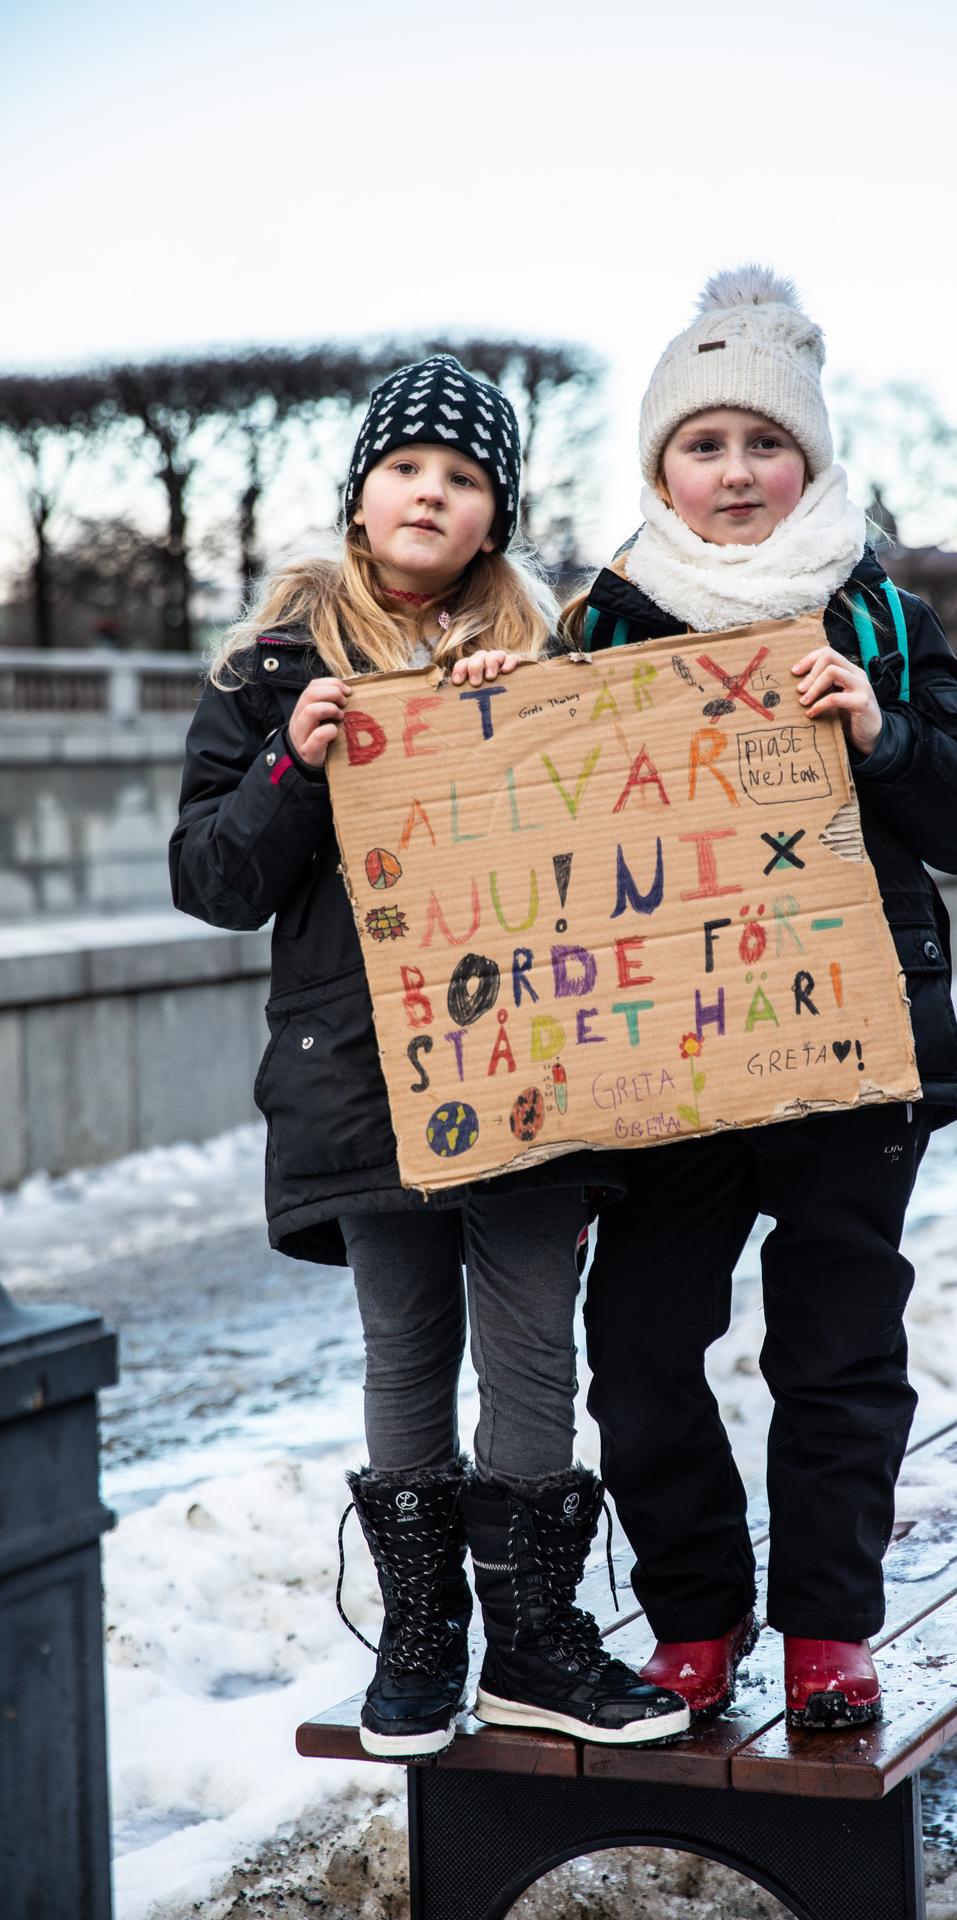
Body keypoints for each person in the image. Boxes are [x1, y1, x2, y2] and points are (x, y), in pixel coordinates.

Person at [169, 355, 689, 1759]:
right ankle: (420, 1638)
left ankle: (531, 1640)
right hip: (359, 1076)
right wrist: (292, 761)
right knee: (403, 1354)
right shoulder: (271, 672)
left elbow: (626, 846)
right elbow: (211, 877)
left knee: (533, 1356)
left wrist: (537, 718)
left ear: (493, 517)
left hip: (528, 1065)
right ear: (362, 494)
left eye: (462, 480)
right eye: (408, 469)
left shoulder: (553, 655)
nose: (431, 494)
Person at [561, 270, 957, 1730]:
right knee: (637, 1347)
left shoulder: (881, 616)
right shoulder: (598, 624)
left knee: (836, 1348)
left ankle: (830, 1631)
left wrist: (884, 735)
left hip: (849, 1054)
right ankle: (695, 1617)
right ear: (660, 470)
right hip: (669, 1064)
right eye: (702, 447)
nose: (736, 473)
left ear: (811, 459)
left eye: (765, 444)